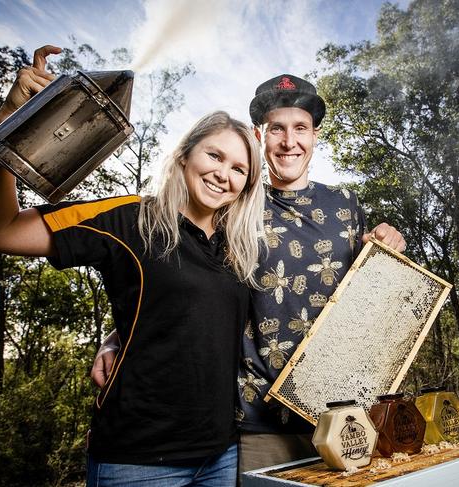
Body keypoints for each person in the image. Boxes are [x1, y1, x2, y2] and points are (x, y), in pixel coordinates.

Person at [0, 45, 266, 487]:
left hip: (220, 455)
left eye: (240, 169)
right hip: (137, 462)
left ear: (246, 186)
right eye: (215, 156)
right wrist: (12, 120)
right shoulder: (128, 218)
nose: (225, 174)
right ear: (185, 155)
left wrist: (115, 337)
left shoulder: (236, 250)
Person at [91, 74, 406, 479]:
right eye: (277, 128)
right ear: (261, 135)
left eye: (300, 129)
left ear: (315, 137)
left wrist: (386, 245)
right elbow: (179, 274)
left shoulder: (345, 204)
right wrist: (118, 336)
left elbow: (365, 292)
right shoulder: (231, 205)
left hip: (346, 414)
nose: (289, 141)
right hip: (260, 419)